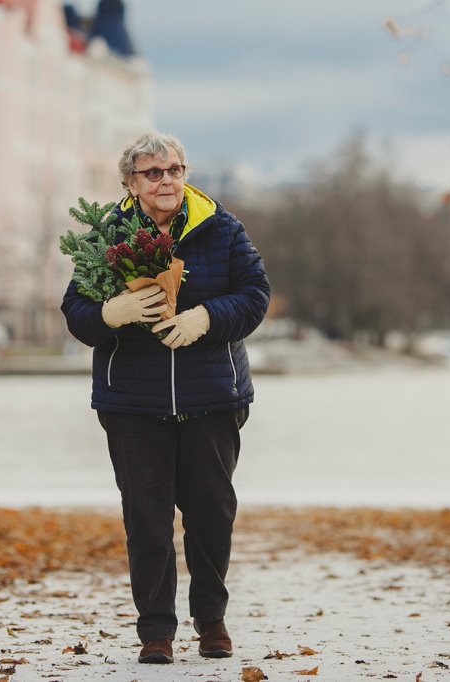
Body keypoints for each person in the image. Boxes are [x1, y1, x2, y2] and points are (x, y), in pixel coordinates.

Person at [61, 131, 271, 664]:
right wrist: (110, 315)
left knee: (212, 513)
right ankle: (156, 631)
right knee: (147, 520)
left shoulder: (219, 228)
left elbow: (254, 295)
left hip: (212, 397)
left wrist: (206, 317)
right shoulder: (106, 236)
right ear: (130, 183)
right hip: (133, 404)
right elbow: (77, 313)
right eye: (153, 173)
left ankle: (212, 622)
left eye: (174, 169)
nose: (167, 181)